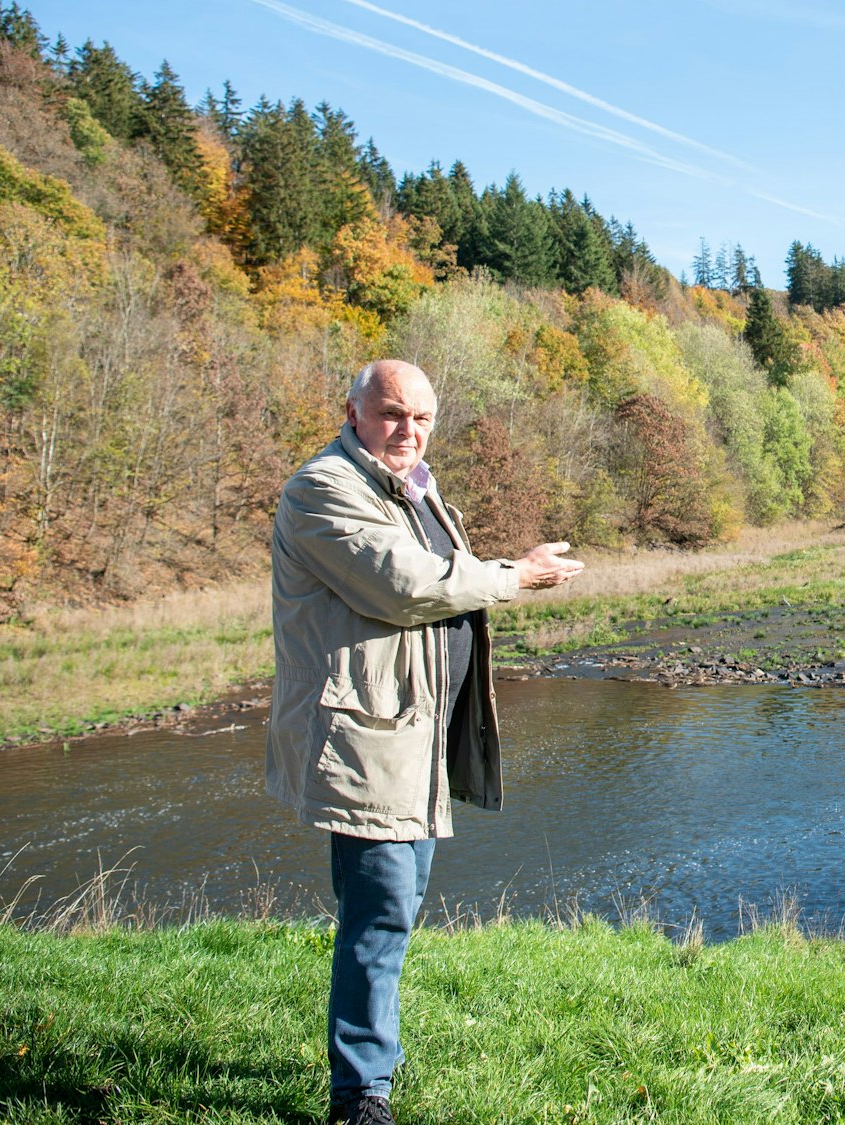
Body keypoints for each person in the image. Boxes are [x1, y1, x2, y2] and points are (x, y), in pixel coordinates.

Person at [265, 359, 582, 1125]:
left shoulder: (411, 485)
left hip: (413, 736)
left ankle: (371, 1063)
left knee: (394, 905)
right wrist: (516, 575)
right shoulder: (324, 490)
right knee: (378, 912)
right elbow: (408, 585)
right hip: (368, 739)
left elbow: (437, 575)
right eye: (392, 413)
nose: (408, 430)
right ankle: (360, 1095)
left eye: (423, 418)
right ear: (353, 410)